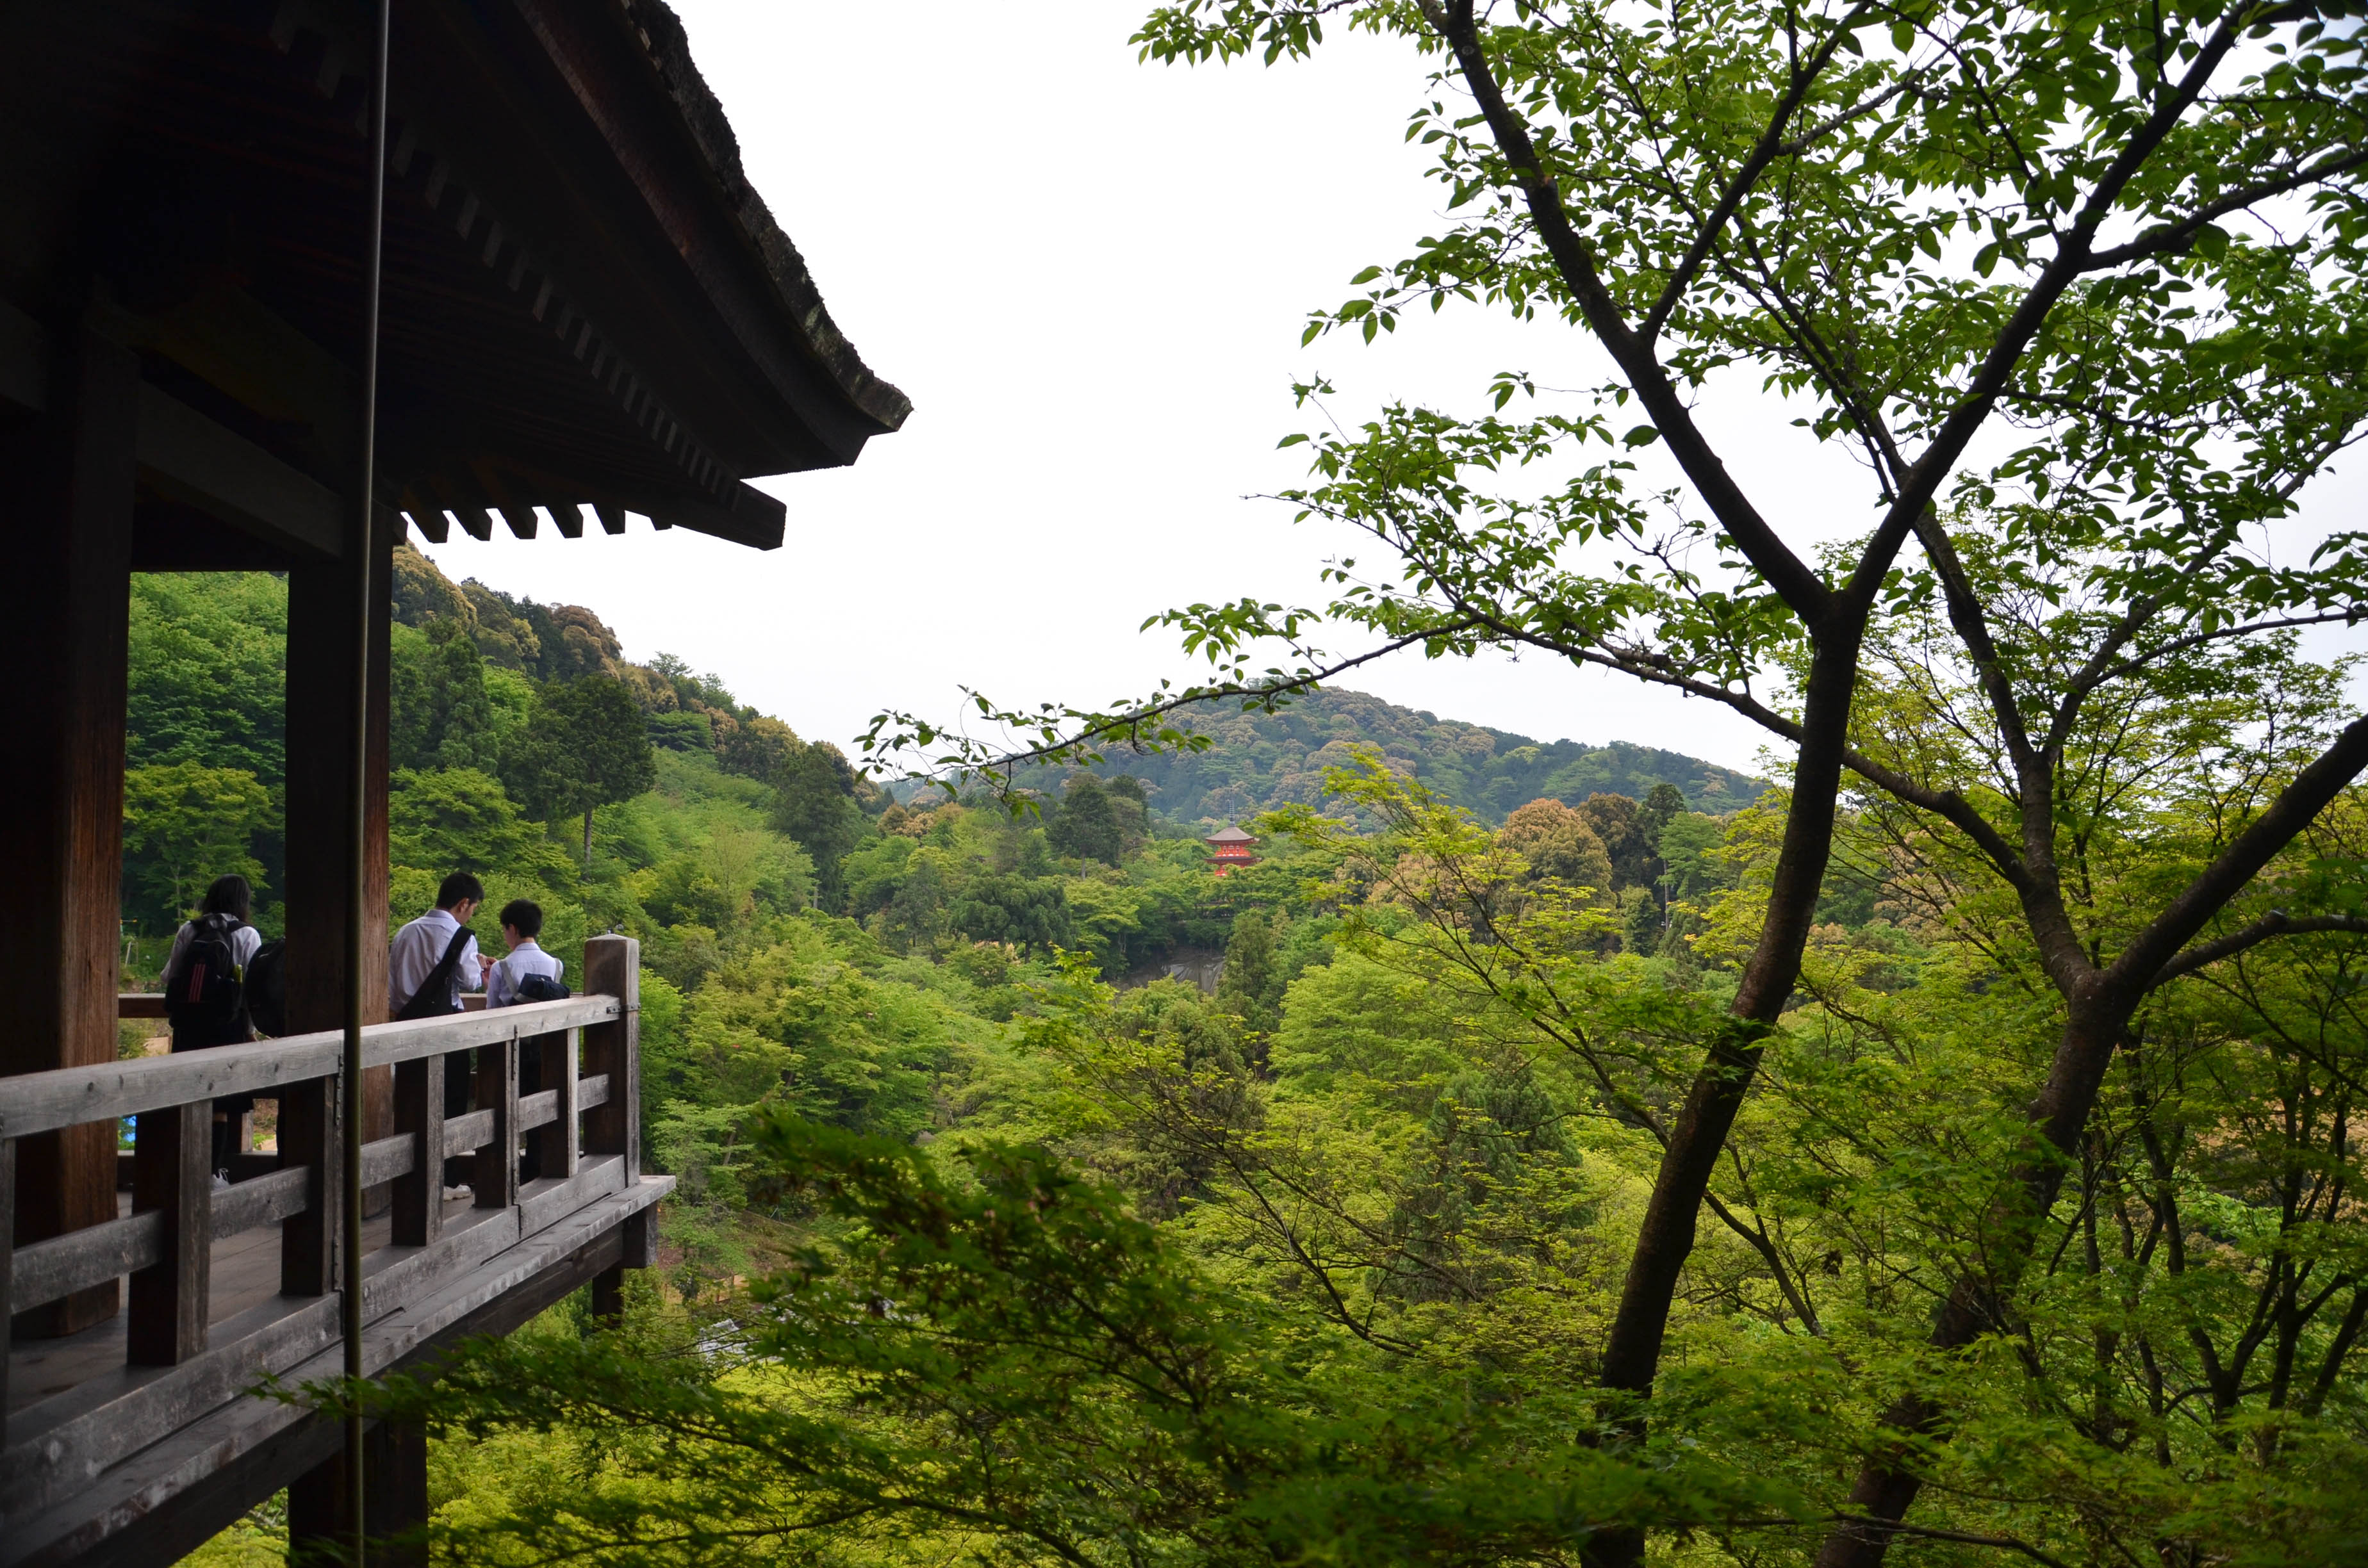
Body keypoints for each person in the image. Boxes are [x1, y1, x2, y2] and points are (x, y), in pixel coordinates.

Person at [389, 872, 491, 1194]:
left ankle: (409, 1180)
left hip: (404, 1028)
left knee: (410, 1104)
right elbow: (470, 982)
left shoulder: (406, 931)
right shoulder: (461, 936)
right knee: (449, 1106)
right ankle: (443, 1181)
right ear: (463, 903)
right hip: (446, 1031)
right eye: (472, 908)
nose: (471, 914)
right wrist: (479, 964)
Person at [163, 874, 265, 1174]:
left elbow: (170, 978)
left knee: (189, 1100)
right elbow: (251, 991)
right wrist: (250, 1032)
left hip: (189, 1027)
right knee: (221, 1105)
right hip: (228, 1028)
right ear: (243, 901)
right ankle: (211, 1174)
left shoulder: (189, 929)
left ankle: (184, 1174)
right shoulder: (247, 934)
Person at [487, 899, 568, 1182]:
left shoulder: (502, 968)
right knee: (542, 1107)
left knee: (505, 1111)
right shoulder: (555, 964)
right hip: (546, 1048)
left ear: (512, 928)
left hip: (511, 1049)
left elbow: (492, 1012)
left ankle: (504, 1172)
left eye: (504, 930)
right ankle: (537, 1168)